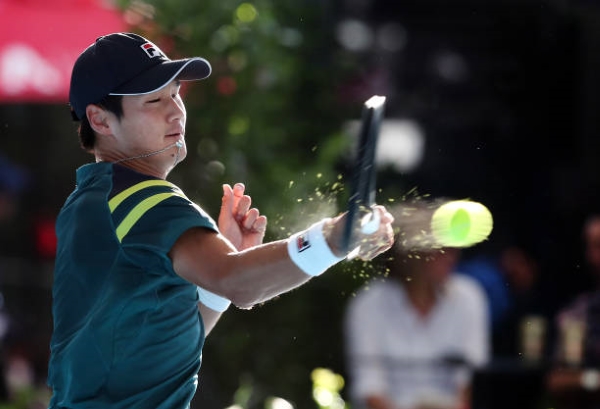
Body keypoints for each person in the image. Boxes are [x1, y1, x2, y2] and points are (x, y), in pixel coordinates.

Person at [46, 32, 395, 409]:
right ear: (100, 119)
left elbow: (157, 341)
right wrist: (330, 239)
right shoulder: (147, 201)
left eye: (176, 93)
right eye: (154, 100)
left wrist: (214, 282)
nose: (176, 110)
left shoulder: (88, 202)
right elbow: (240, 284)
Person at [344, 203, 490, 409]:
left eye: (453, 247)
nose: (451, 256)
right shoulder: (368, 304)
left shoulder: (469, 297)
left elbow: (471, 383)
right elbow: (369, 388)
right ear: (412, 255)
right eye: (440, 249)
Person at [546, 215, 600, 408]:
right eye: (592, 246)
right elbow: (557, 381)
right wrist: (593, 380)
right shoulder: (578, 313)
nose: (594, 256)